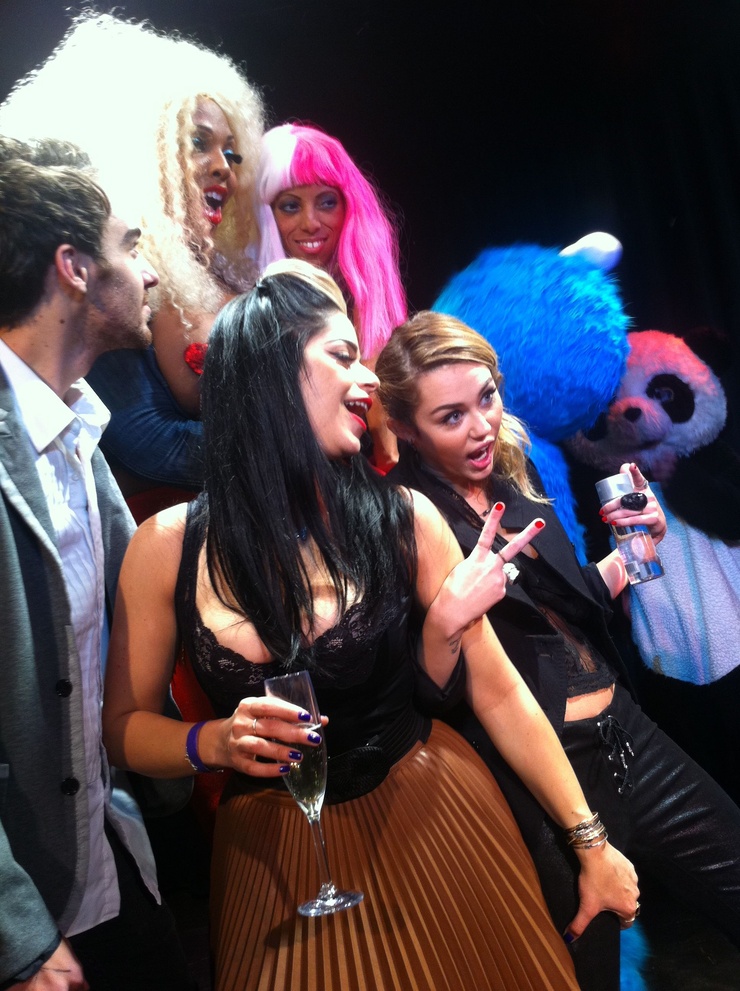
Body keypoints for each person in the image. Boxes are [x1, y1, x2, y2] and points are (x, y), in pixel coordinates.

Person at [102, 258, 639, 991]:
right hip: (276, 856)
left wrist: (591, 842)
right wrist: (213, 742)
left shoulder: (405, 520)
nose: (369, 381)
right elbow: (123, 729)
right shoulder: (165, 547)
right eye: (344, 355)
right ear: (271, 373)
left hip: (433, 819)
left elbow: (499, 691)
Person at [377, 310, 740, 991]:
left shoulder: (510, 480)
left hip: (626, 733)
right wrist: (444, 622)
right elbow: (424, 695)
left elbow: (572, 613)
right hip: (544, 777)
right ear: (404, 427)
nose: (482, 426)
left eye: (487, 397)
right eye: (451, 417)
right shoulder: (403, 517)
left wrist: (637, 548)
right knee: (582, 971)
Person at [0, 142, 194, 989]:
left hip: (108, 861)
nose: (147, 274)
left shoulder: (77, 430)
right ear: (75, 268)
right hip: (33, 911)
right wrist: (16, 937)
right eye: (131, 246)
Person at [0, 11, 265, 508]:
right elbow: (145, 440)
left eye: (232, 154)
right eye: (198, 144)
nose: (222, 168)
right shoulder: (114, 275)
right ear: (147, 153)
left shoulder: (230, 272)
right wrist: (286, 447)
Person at [254, 122, 408, 469]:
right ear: (267, 215)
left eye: (326, 202)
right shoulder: (252, 305)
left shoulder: (363, 294)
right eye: (290, 206)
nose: (310, 222)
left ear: (348, 207)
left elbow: (384, 431)